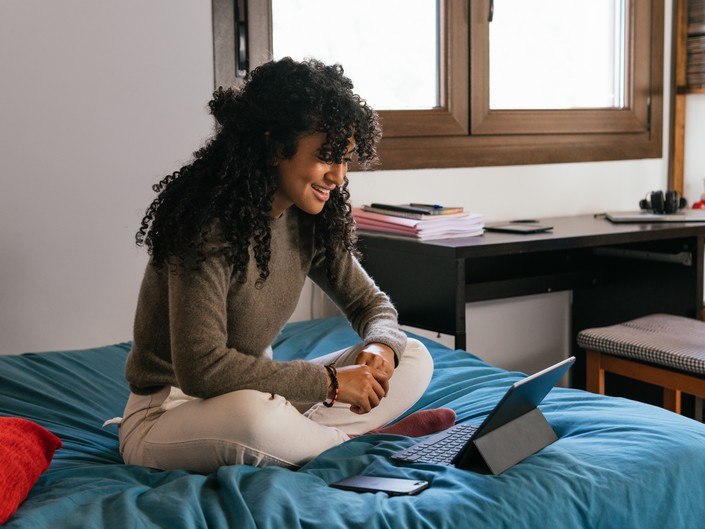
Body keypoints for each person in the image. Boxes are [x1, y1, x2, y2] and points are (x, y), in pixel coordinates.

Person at [118, 57, 455, 474]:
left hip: (259, 389)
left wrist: (379, 347)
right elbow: (201, 371)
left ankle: (317, 440)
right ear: (277, 146)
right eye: (328, 157)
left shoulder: (308, 221)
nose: (339, 176)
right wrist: (331, 384)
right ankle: (359, 445)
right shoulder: (207, 227)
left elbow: (375, 306)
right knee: (255, 416)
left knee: (414, 355)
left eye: (346, 159)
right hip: (168, 412)